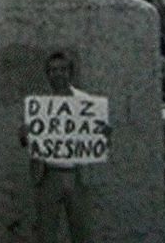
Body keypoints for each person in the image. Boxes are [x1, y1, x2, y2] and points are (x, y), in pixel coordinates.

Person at [19, 50, 106, 243]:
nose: (57, 74)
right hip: (49, 174)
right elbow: (30, 141)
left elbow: (99, 140)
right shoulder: (41, 106)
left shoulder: (85, 103)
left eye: (62, 69)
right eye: (52, 70)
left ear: (70, 73)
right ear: (47, 75)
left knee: (81, 231)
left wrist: (103, 134)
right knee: (46, 231)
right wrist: (24, 136)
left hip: (77, 175)